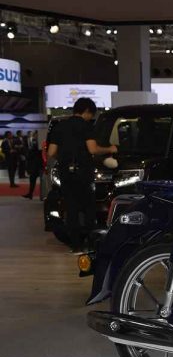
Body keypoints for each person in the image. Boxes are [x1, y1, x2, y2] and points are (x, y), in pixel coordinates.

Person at [47, 98, 118, 251]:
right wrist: (110, 149)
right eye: (91, 114)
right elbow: (93, 149)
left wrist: (64, 158)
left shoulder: (60, 127)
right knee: (88, 207)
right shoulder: (86, 126)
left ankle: (75, 245)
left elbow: (51, 152)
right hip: (83, 172)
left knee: (71, 208)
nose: (91, 117)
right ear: (86, 111)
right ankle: (91, 244)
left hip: (65, 172)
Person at [22, 131, 42, 199]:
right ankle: (30, 194)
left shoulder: (38, 143)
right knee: (32, 179)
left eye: (35, 135)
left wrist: (28, 154)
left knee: (34, 179)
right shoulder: (35, 142)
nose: (34, 136)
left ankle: (31, 194)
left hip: (37, 164)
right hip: (35, 164)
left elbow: (34, 153)